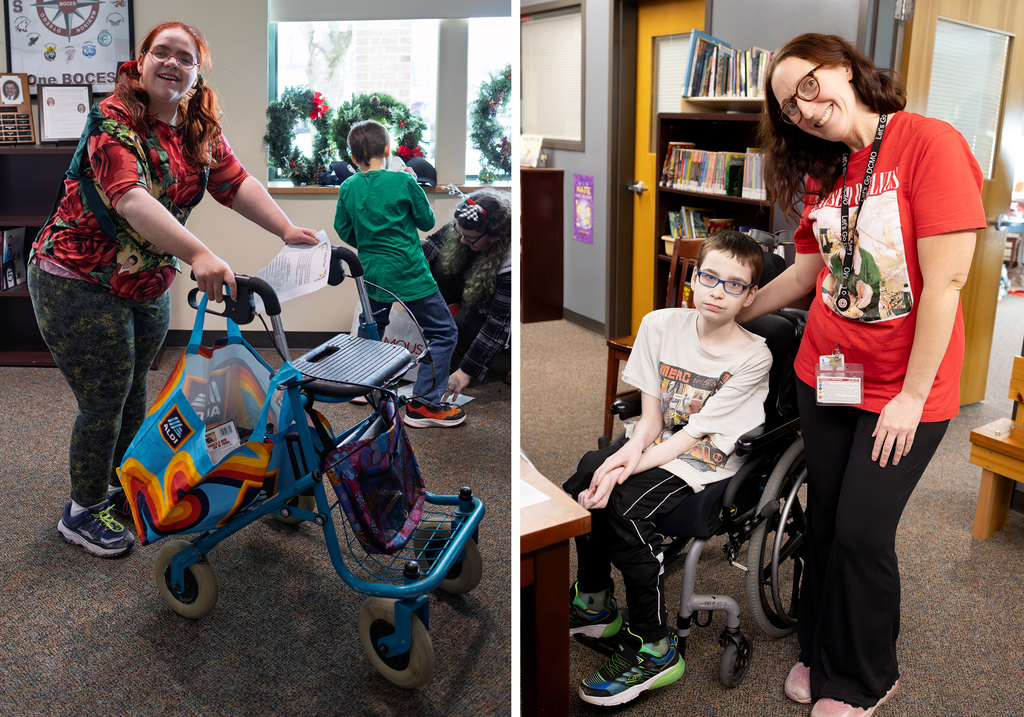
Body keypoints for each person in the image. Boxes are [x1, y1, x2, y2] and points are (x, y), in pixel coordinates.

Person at [741, 33, 986, 717]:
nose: (804, 108)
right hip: (829, 371)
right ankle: (819, 648)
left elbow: (947, 284)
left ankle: (866, 676)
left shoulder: (927, 143)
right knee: (824, 521)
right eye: (789, 105)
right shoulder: (824, 171)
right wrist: (739, 310)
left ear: (845, 68)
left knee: (862, 530)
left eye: (810, 85)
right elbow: (806, 271)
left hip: (906, 387)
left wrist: (911, 396)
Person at [27, 21, 318, 559]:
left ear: (195, 72)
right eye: (161, 53)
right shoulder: (110, 119)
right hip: (76, 278)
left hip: (144, 281)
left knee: (136, 383)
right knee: (104, 396)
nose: (172, 64)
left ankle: (121, 483)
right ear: (141, 61)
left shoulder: (194, 124)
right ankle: (82, 509)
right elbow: (130, 198)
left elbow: (235, 181)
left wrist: (285, 229)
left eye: (184, 58)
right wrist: (201, 254)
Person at [563, 231, 772, 707]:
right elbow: (651, 420)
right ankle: (594, 602)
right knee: (581, 480)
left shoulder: (753, 356)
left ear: (750, 294)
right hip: (657, 442)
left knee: (620, 506)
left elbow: (692, 436)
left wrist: (625, 469)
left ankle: (656, 646)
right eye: (710, 277)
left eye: (735, 285)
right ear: (694, 278)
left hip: (705, 462)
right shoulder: (659, 325)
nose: (718, 291)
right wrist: (621, 457)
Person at [333, 119, 464, 428]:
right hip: (409, 273)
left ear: (352, 157)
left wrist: (368, 244)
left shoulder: (348, 186)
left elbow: (343, 229)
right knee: (444, 332)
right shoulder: (404, 181)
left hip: (373, 274)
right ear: (388, 149)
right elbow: (427, 219)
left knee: (372, 328)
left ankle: (367, 388)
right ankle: (425, 404)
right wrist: (413, 181)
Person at [420, 188, 511, 401]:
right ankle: (457, 335)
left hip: (511, 319)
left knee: (464, 325)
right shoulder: (464, 225)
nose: (462, 240)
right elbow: (429, 248)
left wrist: (465, 372)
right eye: (459, 233)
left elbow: (498, 325)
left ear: (494, 235)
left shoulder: (511, 264)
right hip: (473, 298)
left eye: (469, 238)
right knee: (434, 274)